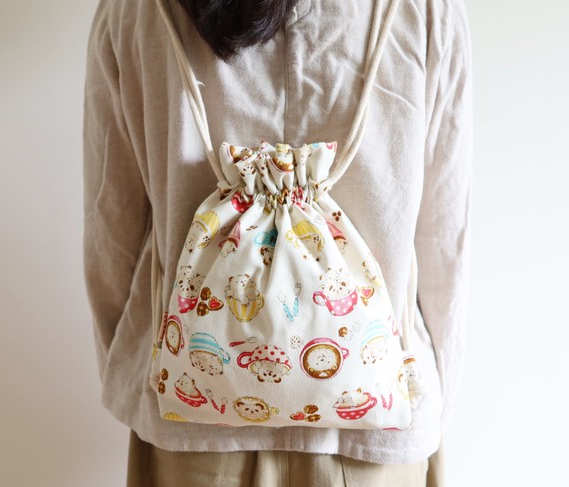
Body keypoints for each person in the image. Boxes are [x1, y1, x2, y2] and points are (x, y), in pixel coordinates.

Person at [82, 0, 473, 485]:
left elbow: (110, 229)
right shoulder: (426, 12)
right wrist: (433, 395)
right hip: (375, 436)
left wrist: (133, 368)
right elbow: (444, 242)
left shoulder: (134, 11)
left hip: (190, 428)